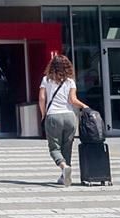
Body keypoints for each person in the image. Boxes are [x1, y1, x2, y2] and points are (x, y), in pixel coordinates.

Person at [37, 53, 92, 186]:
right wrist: (86, 107)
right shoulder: (70, 81)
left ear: (52, 66)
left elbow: (42, 99)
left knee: (54, 148)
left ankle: (64, 167)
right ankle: (65, 177)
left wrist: (44, 114)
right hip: (69, 117)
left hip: (53, 116)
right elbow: (73, 100)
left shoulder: (46, 80)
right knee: (67, 148)